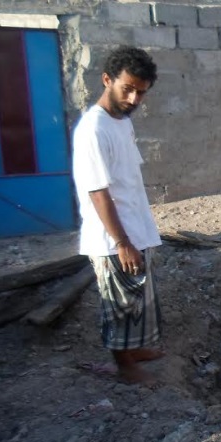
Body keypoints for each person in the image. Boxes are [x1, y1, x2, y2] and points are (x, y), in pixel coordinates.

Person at [71, 46, 163, 387]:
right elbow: (99, 192)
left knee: (139, 297)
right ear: (107, 80)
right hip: (112, 238)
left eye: (141, 92)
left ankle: (135, 351)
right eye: (128, 88)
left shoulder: (121, 122)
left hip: (135, 229)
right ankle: (125, 367)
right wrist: (122, 242)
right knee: (119, 303)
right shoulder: (93, 129)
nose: (134, 98)